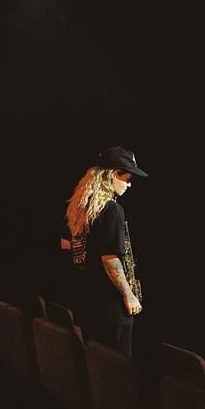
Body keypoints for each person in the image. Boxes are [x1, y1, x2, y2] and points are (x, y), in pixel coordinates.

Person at [65, 145, 148, 357]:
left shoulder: (80, 207)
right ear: (112, 174)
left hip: (86, 301)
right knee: (117, 368)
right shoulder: (112, 210)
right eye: (127, 178)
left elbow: (66, 244)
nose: (129, 185)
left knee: (95, 364)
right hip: (111, 307)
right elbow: (110, 259)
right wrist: (129, 296)